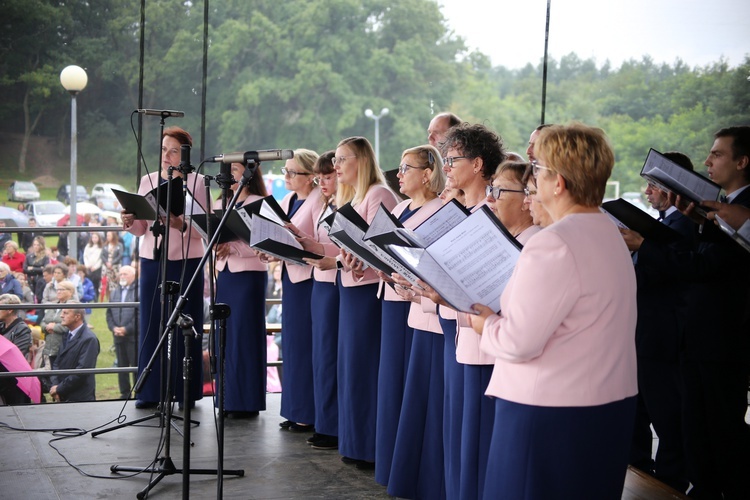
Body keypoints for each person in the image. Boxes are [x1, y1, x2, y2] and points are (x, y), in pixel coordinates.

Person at [468, 123, 637, 498]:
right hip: (608, 405)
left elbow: (518, 342)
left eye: (538, 171)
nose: (534, 180)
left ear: (557, 182)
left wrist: (484, 323)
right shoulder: (608, 232)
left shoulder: (554, 243)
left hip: (549, 412)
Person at [653, 126, 750, 498]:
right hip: (702, 334)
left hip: (724, 335)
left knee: (721, 428)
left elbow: (713, 267)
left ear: (742, 161)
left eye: (718, 154)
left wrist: (648, 244)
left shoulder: (742, 208)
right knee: (697, 427)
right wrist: (700, 222)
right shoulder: (721, 205)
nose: (707, 161)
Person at [436, 122, 507, 499]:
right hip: (456, 324)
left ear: (477, 164)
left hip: (481, 331)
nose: (446, 167)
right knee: (459, 428)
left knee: (476, 432)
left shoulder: (491, 210)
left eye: (453, 160)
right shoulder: (460, 206)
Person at [619, 152, 697, 492]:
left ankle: (668, 481)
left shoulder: (682, 224)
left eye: (654, 185)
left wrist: (642, 246)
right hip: (648, 330)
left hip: (662, 331)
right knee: (642, 406)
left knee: (665, 412)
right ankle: (643, 470)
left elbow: (674, 271)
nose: (648, 191)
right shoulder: (667, 221)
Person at [121, 126, 207, 409]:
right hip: (153, 260)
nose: (166, 156)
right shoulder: (148, 180)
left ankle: (186, 392)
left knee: (187, 323)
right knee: (151, 322)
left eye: (172, 150)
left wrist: (179, 223)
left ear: (184, 153)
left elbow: (206, 229)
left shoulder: (197, 183)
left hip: (187, 261)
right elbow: (141, 228)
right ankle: (150, 390)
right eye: (163, 149)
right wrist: (129, 221)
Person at [377, 145, 446, 494]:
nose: (399, 173)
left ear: (428, 173)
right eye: (400, 167)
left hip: (420, 303)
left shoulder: (443, 209)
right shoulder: (401, 207)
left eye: (407, 167)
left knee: (414, 386)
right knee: (392, 385)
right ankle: (391, 462)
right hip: (393, 297)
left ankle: (414, 470)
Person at [335, 136, 399, 469]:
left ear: (360, 159)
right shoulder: (353, 195)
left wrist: (359, 259)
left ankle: (369, 446)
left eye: (342, 159)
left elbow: (385, 247)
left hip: (369, 291)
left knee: (364, 367)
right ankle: (353, 442)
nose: (337, 166)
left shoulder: (378, 193)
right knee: (350, 368)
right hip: (350, 288)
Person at [213, 160, 269, 418]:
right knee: (224, 337)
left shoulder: (259, 202)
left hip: (248, 276)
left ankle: (246, 401)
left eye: (233, 171)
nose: (228, 176)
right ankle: (226, 398)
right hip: (225, 274)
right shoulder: (219, 204)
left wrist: (232, 247)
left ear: (247, 175)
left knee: (244, 336)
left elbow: (265, 242)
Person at [296, 151, 341, 450]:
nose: (321, 182)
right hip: (320, 279)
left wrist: (322, 253)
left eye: (327, 176)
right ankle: (326, 422)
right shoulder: (329, 203)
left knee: (331, 354)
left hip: (337, 281)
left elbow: (340, 248)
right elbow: (323, 242)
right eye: (319, 177)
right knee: (321, 354)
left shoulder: (348, 202)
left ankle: (333, 425)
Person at [274, 148, 321, 431]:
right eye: (286, 171)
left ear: (310, 176)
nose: (287, 176)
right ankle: (293, 407)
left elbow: (317, 238)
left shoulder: (317, 200)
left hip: (308, 279)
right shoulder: (288, 198)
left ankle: (307, 411)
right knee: (291, 343)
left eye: (293, 172)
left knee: (305, 344)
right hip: (290, 276)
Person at [49, 304, 100, 402]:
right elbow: (56, 363)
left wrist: (59, 389)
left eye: (66, 313)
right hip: (63, 395)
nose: (61, 315)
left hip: (79, 398)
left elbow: (82, 371)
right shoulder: (67, 334)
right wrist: (55, 386)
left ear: (77, 316)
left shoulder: (89, 339)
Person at [106, 265, 137, 400]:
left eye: (126, 274)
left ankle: (138, 392)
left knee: (135, 365)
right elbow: (109, 313)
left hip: (133, 337)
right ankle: (124, 393)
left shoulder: (138, 291)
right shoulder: (114, 292)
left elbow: (140, 314)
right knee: (122, 366)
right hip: (118, 336)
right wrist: (114, 328)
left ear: (133, 276)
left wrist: (127, 329)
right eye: (121, 274)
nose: (122, 277)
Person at [101, 231, 123, 301]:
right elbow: (102, 255)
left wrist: (112, 263)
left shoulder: (119, 245)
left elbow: (120, 255)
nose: (107, 237)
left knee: (115, 284)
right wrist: (106, 263)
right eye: (107, 235)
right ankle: (108, 300)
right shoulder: (105, 245)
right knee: (106, 284)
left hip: (115, 268)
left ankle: (115, 299)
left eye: (109, 235)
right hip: (106, 268)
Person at [83, 232, 103, 299]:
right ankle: (90, 296)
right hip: (88, 267)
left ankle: (96, 297)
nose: (94, 239)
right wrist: (87, 265)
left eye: (96, 238)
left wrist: (95, 267)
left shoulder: (100, 247)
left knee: (96, 283)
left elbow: (101, 259)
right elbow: (85, 256)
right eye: (93, 237)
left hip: (97, 268)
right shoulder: (88, 246)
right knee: (89, 282)